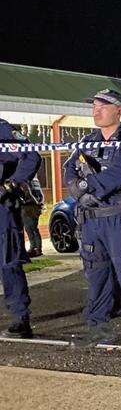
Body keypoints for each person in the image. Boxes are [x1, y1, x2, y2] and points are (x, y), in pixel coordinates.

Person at [63, 89, 121, 353]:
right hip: (91, 219)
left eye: (102, 106)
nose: (96, 110)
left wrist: (87, 186)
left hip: (117, 217)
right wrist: (80, 192)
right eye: (93, 106)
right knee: (96, 276)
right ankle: (98, 328)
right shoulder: (87, 141)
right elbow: (69, 169)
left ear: (119, 110)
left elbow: (119, 174)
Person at [0, 120, 42, 339]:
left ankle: (20, 317)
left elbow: (32, 156)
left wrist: (11, 184)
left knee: (9, 262)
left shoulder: (3, 130)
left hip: (2, 209)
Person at [21, 176, 45, 258]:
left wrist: (26, 201)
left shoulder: (25, 180)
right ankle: (38, 249)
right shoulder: (36, 180)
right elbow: (41, 194)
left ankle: (34, 248)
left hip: (29, 207)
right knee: (34, 228)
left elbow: (28, 194)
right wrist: (40, 204)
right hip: (36, 208)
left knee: (30, 229)